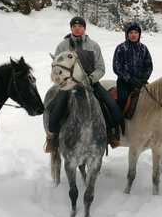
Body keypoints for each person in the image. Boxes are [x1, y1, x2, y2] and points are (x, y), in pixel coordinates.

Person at [46, 16, 123, 152]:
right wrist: (66, 81)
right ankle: (53, 138)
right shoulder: (62, 46)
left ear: (84, 28)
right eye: (74, 26)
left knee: (112, 106)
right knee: (55, 109)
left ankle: (110, 134)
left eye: (80, 26)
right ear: (71, 28)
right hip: (70, 85)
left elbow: (101, 68)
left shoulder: (93, 46)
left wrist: (91, 78)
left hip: (91, 83)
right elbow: (57, 68)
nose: (77, 29)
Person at [112, 22, 153, 118]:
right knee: (122, 99)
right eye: (131, 33)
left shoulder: (143, 48)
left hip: (140, 82)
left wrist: (143, 79)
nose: (133, 35)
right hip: (124, 82)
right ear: (127, 34)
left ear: (139, 34)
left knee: (152, 98)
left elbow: (149, 66)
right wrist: (129, 79)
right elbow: (117, 67)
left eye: (136, 32)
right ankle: (120, 121)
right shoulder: (121, 48)